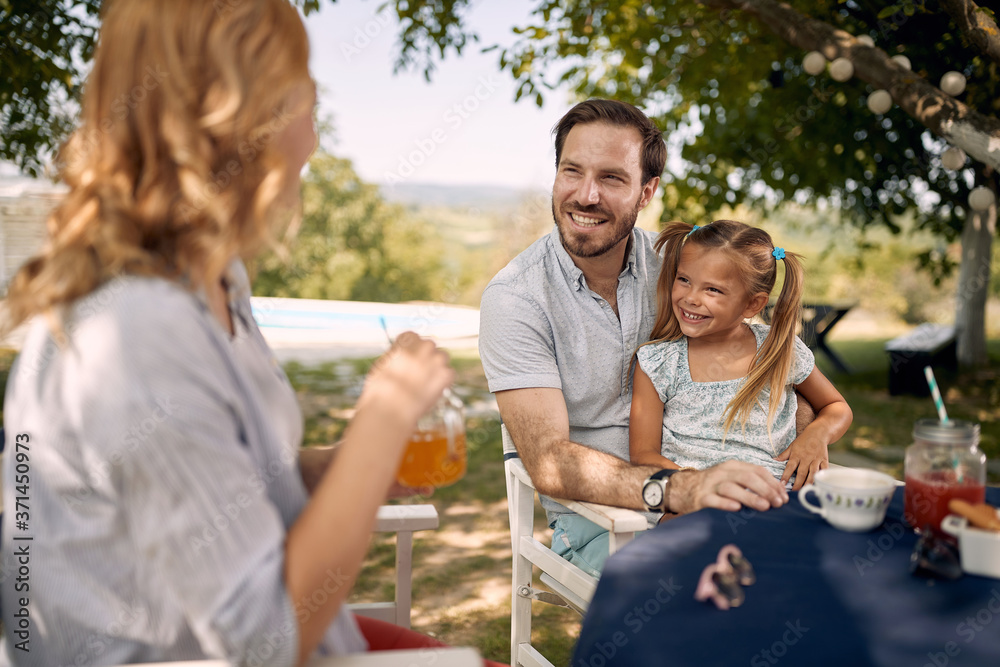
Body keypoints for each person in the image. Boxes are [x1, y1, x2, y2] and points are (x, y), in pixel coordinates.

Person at [0, 1, 505, 666]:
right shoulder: (136, 334)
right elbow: (266, 642)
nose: (314, 138)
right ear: (236, 113)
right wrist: (384, 418)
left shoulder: (214, 278)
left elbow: (221, 482)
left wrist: (346, 463)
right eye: (303, 96)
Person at [479, 99, 789, 578]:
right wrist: (684, 488)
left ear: (647, 192)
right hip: (597, 520)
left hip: (710, 496)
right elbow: (549, 463)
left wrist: (809, 434)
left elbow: (770, 359)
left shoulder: (678, 269)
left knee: (816, 571)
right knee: (723, 593)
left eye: (611, 178)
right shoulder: (516, 298)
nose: (585, 196)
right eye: (571, 171)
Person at [628, 220, 853, 491]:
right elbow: (643, 455)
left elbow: (837, 407)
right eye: (684, 280)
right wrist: (700, 484)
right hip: (697, 500)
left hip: (778, 495)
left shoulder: (778, 350)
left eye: (712, 289)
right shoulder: (658, 363)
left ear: (752, 303)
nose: (691, 298)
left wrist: (817, 434)